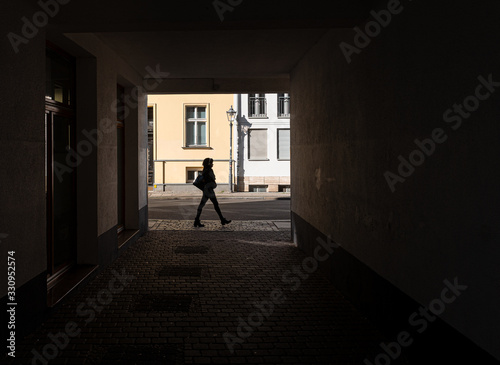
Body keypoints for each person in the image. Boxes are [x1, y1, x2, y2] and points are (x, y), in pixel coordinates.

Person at [194, 158, 231, 227]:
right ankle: (222, 220)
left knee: (204, 205)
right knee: (214, 205)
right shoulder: (208, 170)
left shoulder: (205, 170)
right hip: (209, 190)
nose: (212, 164)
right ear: (209, 164)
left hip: (207, 190)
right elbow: (211, 179)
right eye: (211, 163)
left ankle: (196, 220)